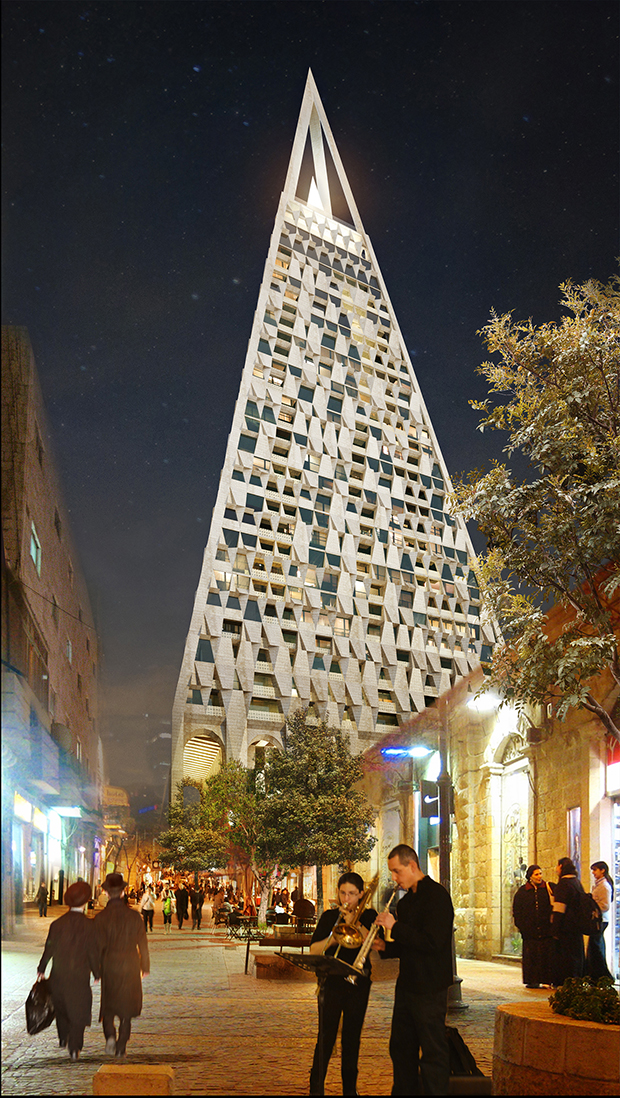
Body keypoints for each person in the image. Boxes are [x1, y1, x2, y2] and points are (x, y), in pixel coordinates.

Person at [374, 844, 454, 1096]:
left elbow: (432, 942)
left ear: (412, 865)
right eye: (392, 873)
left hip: (430, 987)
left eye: (397, 872)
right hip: (407, 985)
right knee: (400, 1047)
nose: (395, 879)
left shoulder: (437, 897)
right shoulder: (406, 902)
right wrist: (383, 946)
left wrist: (395, 927)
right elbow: (407, 945)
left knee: (432, 1051)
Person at [308, 872, 379, 1096]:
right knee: (326, 1036)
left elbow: (376, 945)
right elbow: (313, 950)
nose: (346, 899)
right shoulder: (330, 917)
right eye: (342, 893)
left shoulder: (370, 916)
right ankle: (316, 1087)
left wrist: (356, 924)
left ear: (361, 895)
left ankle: (350, 1089)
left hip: (358, 983)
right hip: (332, 981)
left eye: (352, 894)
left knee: (351, 1036)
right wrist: (333, 937)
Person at [36, 880, 100, 1061]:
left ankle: (63, 1036)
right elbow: (93, 951)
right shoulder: (90, 926)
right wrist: (96, 972)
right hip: (80, 974)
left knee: (61, 1006)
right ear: (86, 901)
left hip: (59, 973)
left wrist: (42, 968)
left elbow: (49, 948)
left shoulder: (57, 924)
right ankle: (75, 1046)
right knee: (79, 1008)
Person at [93, 872, 150, 1058]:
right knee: (126, 1009)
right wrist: (145, 966)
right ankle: (121, 1046)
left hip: (109, 965)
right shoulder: (134, 917)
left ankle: (110, 1036)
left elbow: (96, 947)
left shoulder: (100, 919)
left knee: (109, 1006)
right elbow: (143, 943)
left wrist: (96, 970)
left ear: (107, 894)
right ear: (124, 893)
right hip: (130, 965)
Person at [512, 865, 553, 987]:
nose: (539, 876)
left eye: (540, 873)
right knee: (531, 956)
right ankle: (532, 980)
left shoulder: (547, 889)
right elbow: (517, 910)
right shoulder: (522, 892)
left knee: (545, 955)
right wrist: (521, 926)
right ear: (530, 877)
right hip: (529, 930)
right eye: (536, 874)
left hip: (545, 929)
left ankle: (546, 979)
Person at [551, 857, 586, 986]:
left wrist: (555, 928)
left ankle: (566, 981)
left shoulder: (564, 884)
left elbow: (560, 908)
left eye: (557, 866)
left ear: (561, 867)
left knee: (565, 956)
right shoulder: (577, 882)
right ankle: (576, 979)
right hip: (577, 925)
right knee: (576, 954)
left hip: (566, 927)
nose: (556, 869)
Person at [587, 861, 614, 981]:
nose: (593, 872)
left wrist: (592, 905)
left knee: (596, 947)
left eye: (595, 870)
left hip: (600, 920)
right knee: (595, 947)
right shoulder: (599, 885)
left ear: (602, 870)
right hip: (597, 920)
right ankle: (596, 974)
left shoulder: (604, 886)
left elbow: (605, 905)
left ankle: (601, 975)